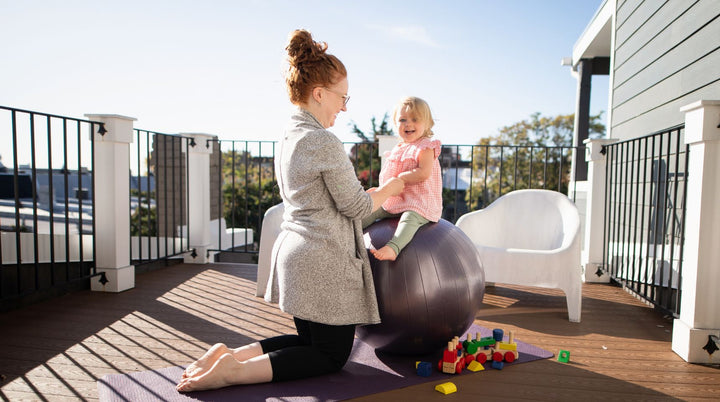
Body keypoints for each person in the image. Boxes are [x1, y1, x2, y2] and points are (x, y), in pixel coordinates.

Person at [176, 29, 404, 392]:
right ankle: (232, 373)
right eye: (342, 98)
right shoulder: (323, 141)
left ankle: (232, 356)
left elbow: (327, 198)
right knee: (330, 355)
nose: (344, 107)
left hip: (296, 254)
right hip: (322, 261)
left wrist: (368, 193)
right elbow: (356, 207)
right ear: (319, 94)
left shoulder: (289, 134)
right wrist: (391, 189)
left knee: (310, 345)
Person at [361, 96, 442, 261]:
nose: (408, 124)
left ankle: (394, 247)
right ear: (395, 123)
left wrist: (403, 178)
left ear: (427, 123)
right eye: (402, 119)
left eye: (415, 119)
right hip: (395, 200)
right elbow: (389, 177)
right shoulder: (398, 149)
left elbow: (423, 172)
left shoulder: (426, 146)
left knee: (409, 219)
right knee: (369, 211)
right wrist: (379, 191)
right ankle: (349, 234)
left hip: (419, 202)